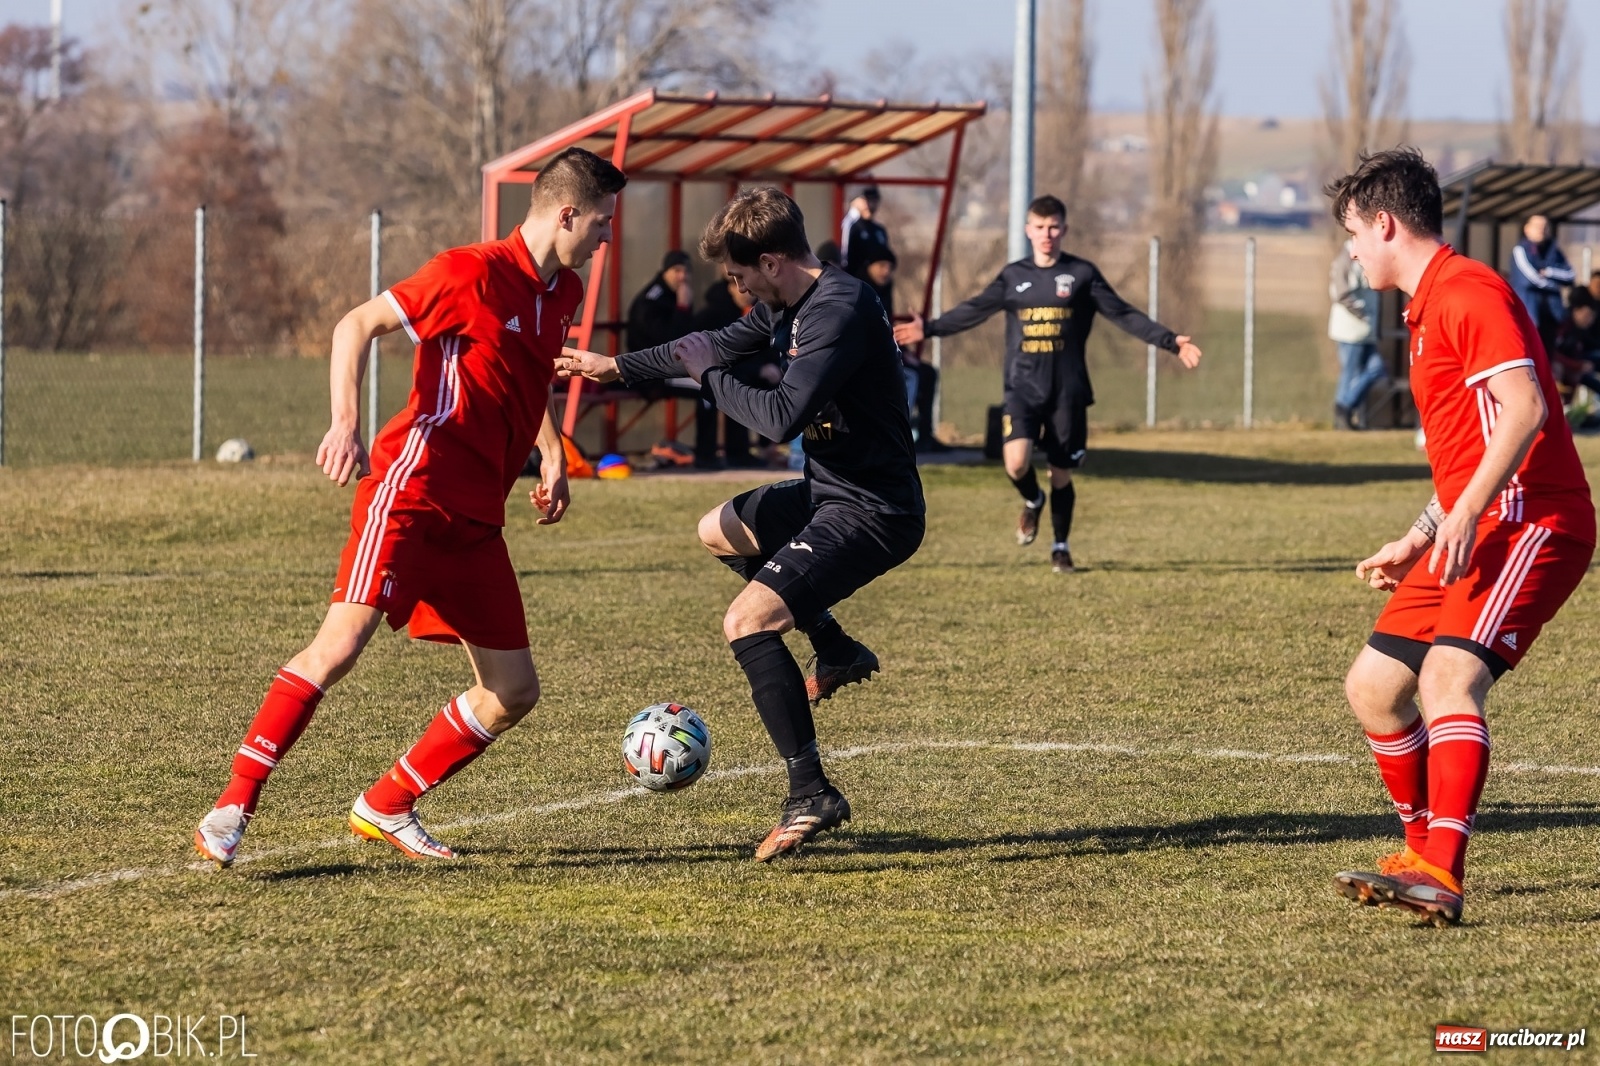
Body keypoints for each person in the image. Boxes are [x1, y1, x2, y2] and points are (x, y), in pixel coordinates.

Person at [191, 147, 627, 867]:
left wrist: (552, 452)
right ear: (567, 214)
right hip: (412, 492)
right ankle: (233, 804)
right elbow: (354, 325)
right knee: (339, 646)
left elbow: (527, 376)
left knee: (513, 690)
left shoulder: (564, 292)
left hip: (477, 519)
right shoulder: (468, 272)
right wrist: (344, 423)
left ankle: (388, 803)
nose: (607, 237)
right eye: (603, 223)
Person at [557, 188, 923, 862]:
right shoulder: (787, 302)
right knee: (718, 529)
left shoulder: (837, 310)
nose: (738, 287)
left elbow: (779, 417)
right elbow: (709, 344)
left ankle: (810, 791)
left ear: (773, 261)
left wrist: (708, 377)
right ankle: (835, 648)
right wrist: (618, 368)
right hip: (827, 492)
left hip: (874, 509)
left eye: (739, 274)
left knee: (747, 622)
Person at [1326, 148, 1594, 926]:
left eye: (1353, 234)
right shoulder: (1426, 307)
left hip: (1534, 518)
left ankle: (1440, 871)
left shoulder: (1468, 293)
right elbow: (1470, 448)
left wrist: (1468, 511)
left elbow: (1525, 409)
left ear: (1385, 224)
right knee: (1374, 688)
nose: (1352, 251)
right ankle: (1418, 858)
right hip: (1481, 516)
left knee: (1447, 678)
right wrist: (1422, 532)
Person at [894, 195, 1202, 572]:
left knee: (1061, 473)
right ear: (1028, 230)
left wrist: (1171, 341)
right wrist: (930, 328)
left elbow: (1123, 314)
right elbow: (974, 309)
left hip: (1067, 391)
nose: (1047, 234)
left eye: (1053, 227)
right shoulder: (1013, 277)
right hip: (1022, 388)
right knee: (1016, 462)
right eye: (1039, 227)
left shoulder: (1082, 274)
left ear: (1064, 229)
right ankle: (1032, 500)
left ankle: (1060, 547)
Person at [627, 250, 722, 468]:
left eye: (686, 271)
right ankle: (706, 457)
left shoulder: (673, 294)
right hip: (649, 374)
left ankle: (708, 454)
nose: (682, 277)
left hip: (668, 371)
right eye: (676, 271)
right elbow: (671, 342)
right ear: (665, 272)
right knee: (708, 387)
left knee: (715, 382)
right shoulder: (652, 301)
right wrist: (682, 307)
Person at [1329, 238, 1387, 429]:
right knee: (1350, 373)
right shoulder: (1345, 261)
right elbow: (1341, 293)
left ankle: (1344, 406)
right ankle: (1342, 413)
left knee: (1377, 368)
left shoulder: (1366, 257)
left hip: (1366, 331)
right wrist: (1362, 313)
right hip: (1350, 331)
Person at [1509, 214, 1575, 355]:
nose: (1541, 230)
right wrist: (1555, 284)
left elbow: (1570, 275)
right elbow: (1531, 278)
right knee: (1531, 353)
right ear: (1527, 229)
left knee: (1548, 354)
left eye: (1545, 226)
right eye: (1537, 226)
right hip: (1530, 314)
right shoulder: (1521, 250)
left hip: (1552, 314)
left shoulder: (1554, 250)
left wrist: (1549, 272)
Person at [841, 186, 892, 280]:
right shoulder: (851, 227)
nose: (869, 205)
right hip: (856, 279)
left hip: (876, 282)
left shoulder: (879, 230)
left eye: (873, 201)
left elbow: (886, 257)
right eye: (866, 201)